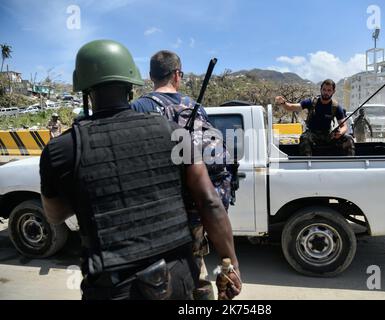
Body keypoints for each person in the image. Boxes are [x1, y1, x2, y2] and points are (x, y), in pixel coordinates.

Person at [39, 40, 241, 300]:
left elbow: (55, 215)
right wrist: (231, 263)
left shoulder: (61, 149)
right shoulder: (173, 131)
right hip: (180, 278)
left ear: (85, 89)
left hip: (115, 287)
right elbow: (209, 202)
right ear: (131, 85)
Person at [131, 50, 238, 300]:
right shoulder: (196, 108)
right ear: (178, 75)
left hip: (158, 212)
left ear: (150, 77)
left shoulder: (138, 107)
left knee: (155, 279)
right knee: (196, 272)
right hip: (194, 208)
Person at [275, 79, 355, 156]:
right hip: (312, 134)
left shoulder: (336, 106)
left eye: (329, 90)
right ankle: (307, 165)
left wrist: (340, 132)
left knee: (348, 138)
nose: (326, 92)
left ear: (333, 92)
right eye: (324, 90)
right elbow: (292, 107)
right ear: (321, 90)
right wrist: (283, 103)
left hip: (327, 135)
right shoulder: (311, 102)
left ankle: (349, 164)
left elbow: (344, 126)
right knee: (304, 137)